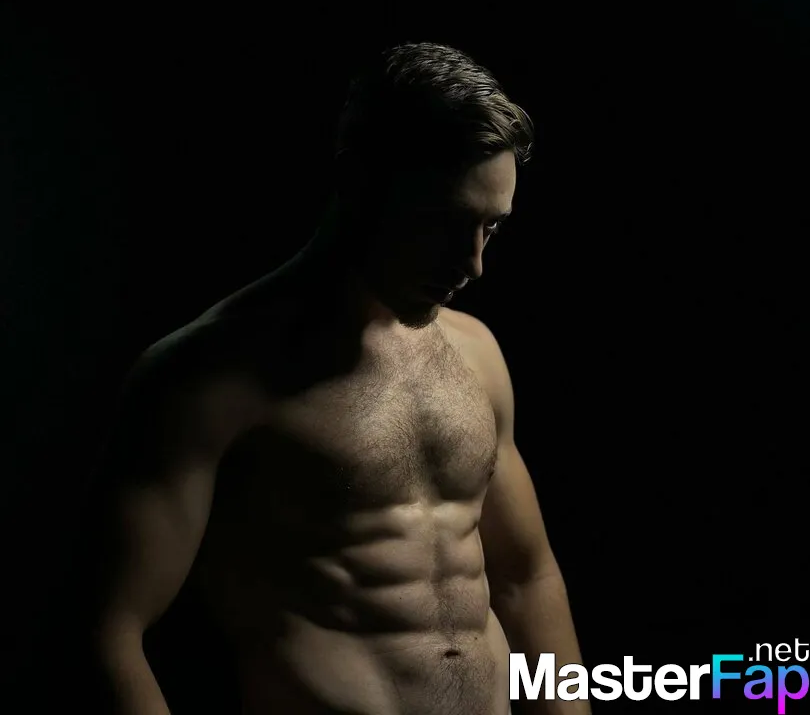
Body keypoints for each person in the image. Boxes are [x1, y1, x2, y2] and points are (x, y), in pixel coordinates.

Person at [91, 43, 589, 714]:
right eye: (445, 223)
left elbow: (528, 580)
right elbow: (107, 631)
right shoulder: (205, 379)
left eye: (490, 228)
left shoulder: (477, 354)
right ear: (359, 182)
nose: (473, 265)